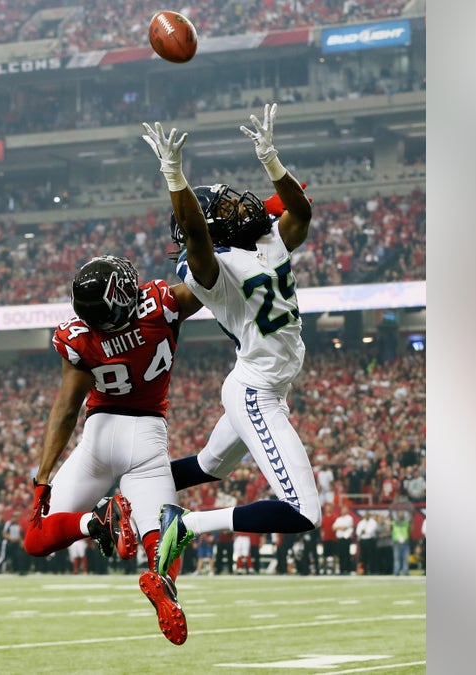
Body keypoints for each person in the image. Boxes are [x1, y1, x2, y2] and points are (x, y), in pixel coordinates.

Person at [139, 103, 319, 578]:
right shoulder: (211, 272)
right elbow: (196, 240)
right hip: (255, 391)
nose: (238, 205)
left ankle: (120, 491)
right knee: (303, 511)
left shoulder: (266, 239)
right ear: (211, 225)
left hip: (265, 383)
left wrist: (272, 160)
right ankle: (188, 524)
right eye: (221, 208)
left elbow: (300, 210)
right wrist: (175, 177)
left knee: (207, 467)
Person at [21, 255, 203, 646]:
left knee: (35, 540)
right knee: (164, 537)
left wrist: (42, 478)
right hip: (147, 436)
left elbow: (66, 409)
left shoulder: (78, 337)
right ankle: (164, 582)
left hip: (98, 436)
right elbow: (210, 281)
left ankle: (95, 521)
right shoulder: (160, 305)